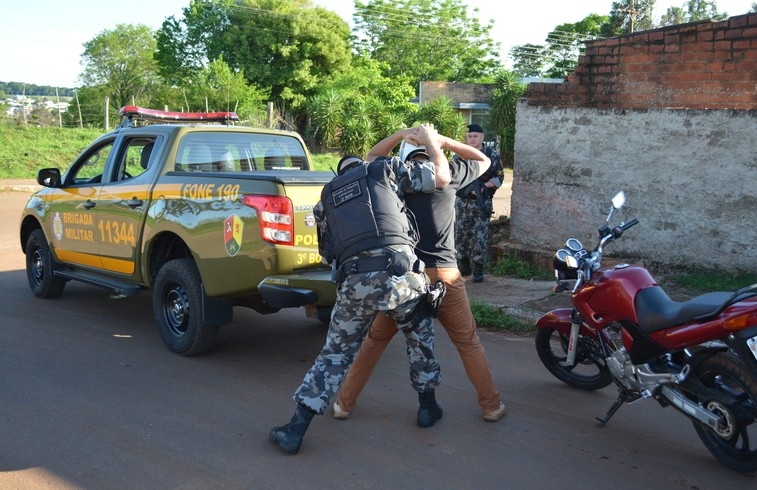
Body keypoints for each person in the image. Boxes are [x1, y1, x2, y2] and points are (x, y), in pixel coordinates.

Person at [269, 125, 451, 455]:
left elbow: (328, 254)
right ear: (362, 164)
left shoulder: (326, 198)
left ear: (339, 173)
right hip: (403, 276)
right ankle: (428, 406)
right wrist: (431, 143)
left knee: (334, 355)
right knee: (419, 335)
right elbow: (440, 178)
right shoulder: (382, 170)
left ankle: (295, 429)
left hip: (356, 281)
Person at [332, 127, 508, 424]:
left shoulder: (392, 179)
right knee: (467, 341)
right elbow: (483, 160)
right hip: (444, 273)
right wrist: (439, 141)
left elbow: (372, 156)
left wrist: (402, 134)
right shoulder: (448, 175)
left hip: (405, 276)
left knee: (375, 340)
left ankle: (343, 404)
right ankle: (491, 406)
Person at [454, 124, 504, 283]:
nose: (472, 139)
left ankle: (478, 268)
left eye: (475, 136)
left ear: (482, 138)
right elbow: (453, 178)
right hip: (463, 203)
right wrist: (468, 189)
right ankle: (463, 264)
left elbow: (499, 178)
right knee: (460, 235)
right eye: (470, 136)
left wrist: (484, 186)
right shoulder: (460, 155)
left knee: (480, 237)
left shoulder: (491, 155)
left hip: (482, 203)